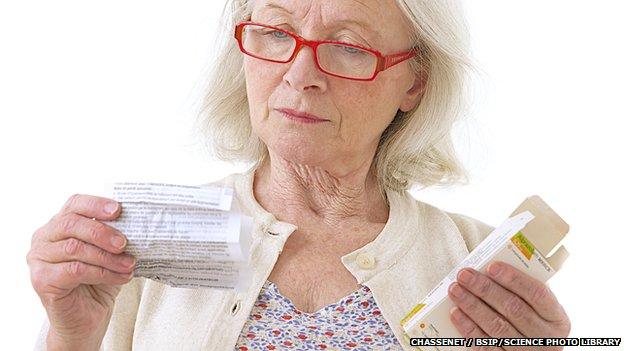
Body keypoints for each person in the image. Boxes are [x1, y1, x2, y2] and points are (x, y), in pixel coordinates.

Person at [28, 0, 572, 349]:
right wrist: (70, 338)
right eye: (274, 32)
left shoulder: (473, 262)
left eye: (347, 47)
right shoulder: (147, 242)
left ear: (414, 83)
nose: (299, 73)